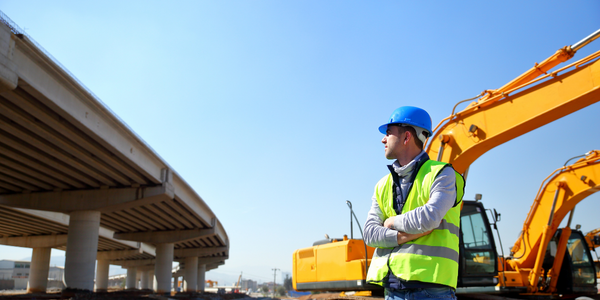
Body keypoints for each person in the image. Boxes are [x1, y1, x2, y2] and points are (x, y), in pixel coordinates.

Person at [364, 106, 465, 300]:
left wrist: (391, 222)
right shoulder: (382, 185)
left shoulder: (442, 174)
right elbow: (369, 234)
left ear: (406, 137)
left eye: (388, 133)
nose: (383, 139)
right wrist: (403, 237)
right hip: (392, 289)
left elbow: (429, 218)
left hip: (431, 290)